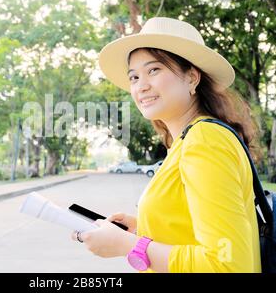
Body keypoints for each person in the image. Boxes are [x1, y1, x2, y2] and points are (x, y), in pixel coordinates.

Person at [71, 17, 263, 273]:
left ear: (192, 77)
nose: (141, 86)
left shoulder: (205, 141)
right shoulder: (187, 141)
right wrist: (143, 227)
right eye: (134, 77)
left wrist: (129, 245)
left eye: (154, 70)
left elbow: (226, 264)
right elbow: (190, 227)